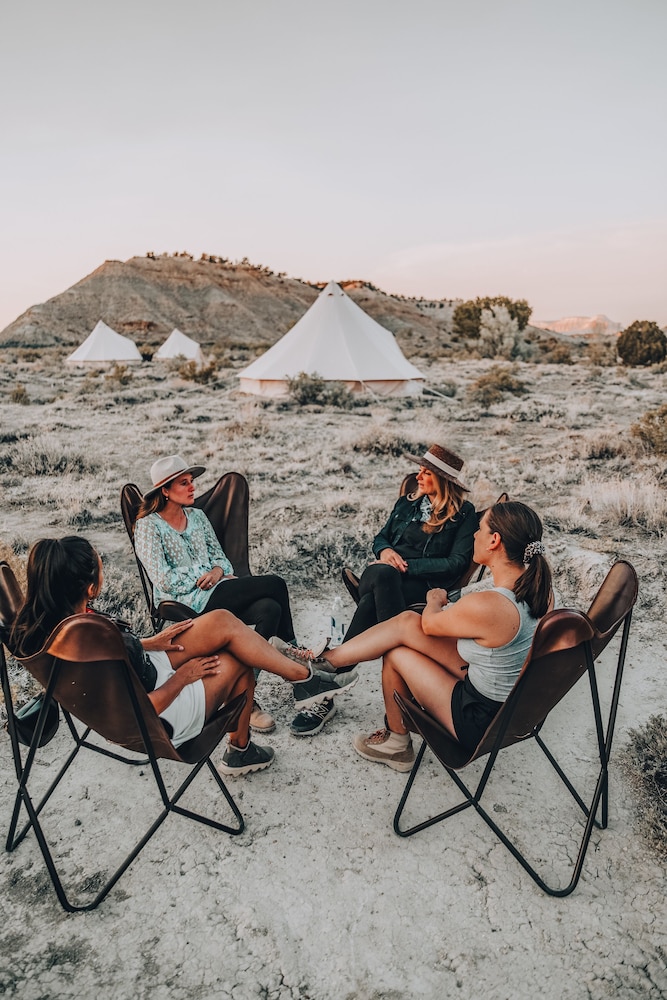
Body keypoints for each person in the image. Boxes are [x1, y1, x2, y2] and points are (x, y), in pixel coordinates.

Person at [10, 537, 358, 777]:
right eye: (100, 566)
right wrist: (184, 676)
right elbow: (141, 708)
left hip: (145, 672)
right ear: (90, 588)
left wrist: (146, 643)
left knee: (222, 622)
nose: (103, 569)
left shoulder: (50, 624)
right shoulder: (89, 634)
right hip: (160, 712)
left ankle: (303, 681)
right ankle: (242, 748)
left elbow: (111, 658)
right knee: (237, 660)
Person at [310, 501, 552, 769]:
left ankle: (392, 739)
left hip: (478, 719)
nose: (474, 534)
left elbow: (430, 624)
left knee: (397, 648)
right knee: (405, 624)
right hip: (510, 704)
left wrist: (433, 599)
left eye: (479, 529)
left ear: (494, 540)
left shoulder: (491, 605)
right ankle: (326, 665)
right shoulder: (542, 591)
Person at [290, 443, 477, 738]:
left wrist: (406, 566)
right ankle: (405, 686)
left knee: (368, 606)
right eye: (420, 469)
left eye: (426, 472)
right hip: (378, 576)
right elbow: (380, 538)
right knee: (380, 573)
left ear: (443, 480)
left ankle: (328, 687)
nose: (418, 475)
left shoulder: (464, 515)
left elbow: (456, 563)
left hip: (417, 588)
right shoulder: (407, 503)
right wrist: (386, 550)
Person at [133, 455, 309, 736]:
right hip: (183, 601)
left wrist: (215, 572)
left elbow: (223, 562)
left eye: (192, 482)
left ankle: (244, 696)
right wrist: (207, 574)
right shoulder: (147, 526)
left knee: (270, 609)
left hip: (216, 590)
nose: (192, 488)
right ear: (164, 490)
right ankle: (298, 663)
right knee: (275, 583)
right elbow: (163, 578)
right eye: (184, 483)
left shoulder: (198, 517)